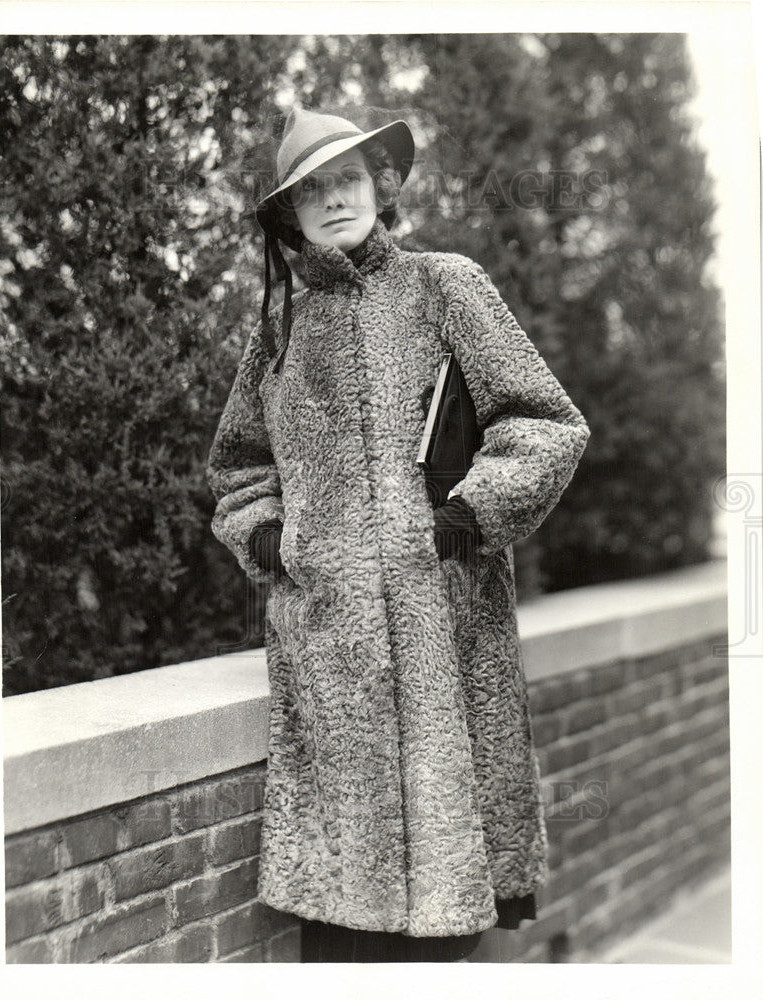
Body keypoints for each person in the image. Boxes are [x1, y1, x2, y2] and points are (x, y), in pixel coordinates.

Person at [206, 106, 590, 962]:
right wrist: (268, 538)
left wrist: (470, 516)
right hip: (325, 644)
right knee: (341, 911)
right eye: (311, 190)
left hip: (443, 625)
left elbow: (545, 422)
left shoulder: (444, 284)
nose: (332, 199)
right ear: (290, 215)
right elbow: (236, 465)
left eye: (347, 178)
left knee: (448, 906)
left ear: (382, 185)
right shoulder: (277, 327)